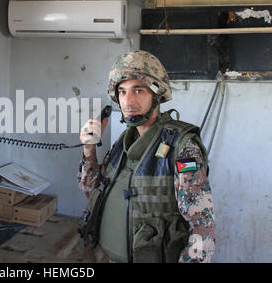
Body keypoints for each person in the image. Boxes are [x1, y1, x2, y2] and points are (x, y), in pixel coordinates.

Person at [77, 50, 215, 263]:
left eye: (138, 90)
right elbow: (92, 193)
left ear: (158, 95)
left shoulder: (183, 148)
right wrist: (89, 149)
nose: (127, 102)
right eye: (122, 92)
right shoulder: (123, 141)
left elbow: (202, 229)